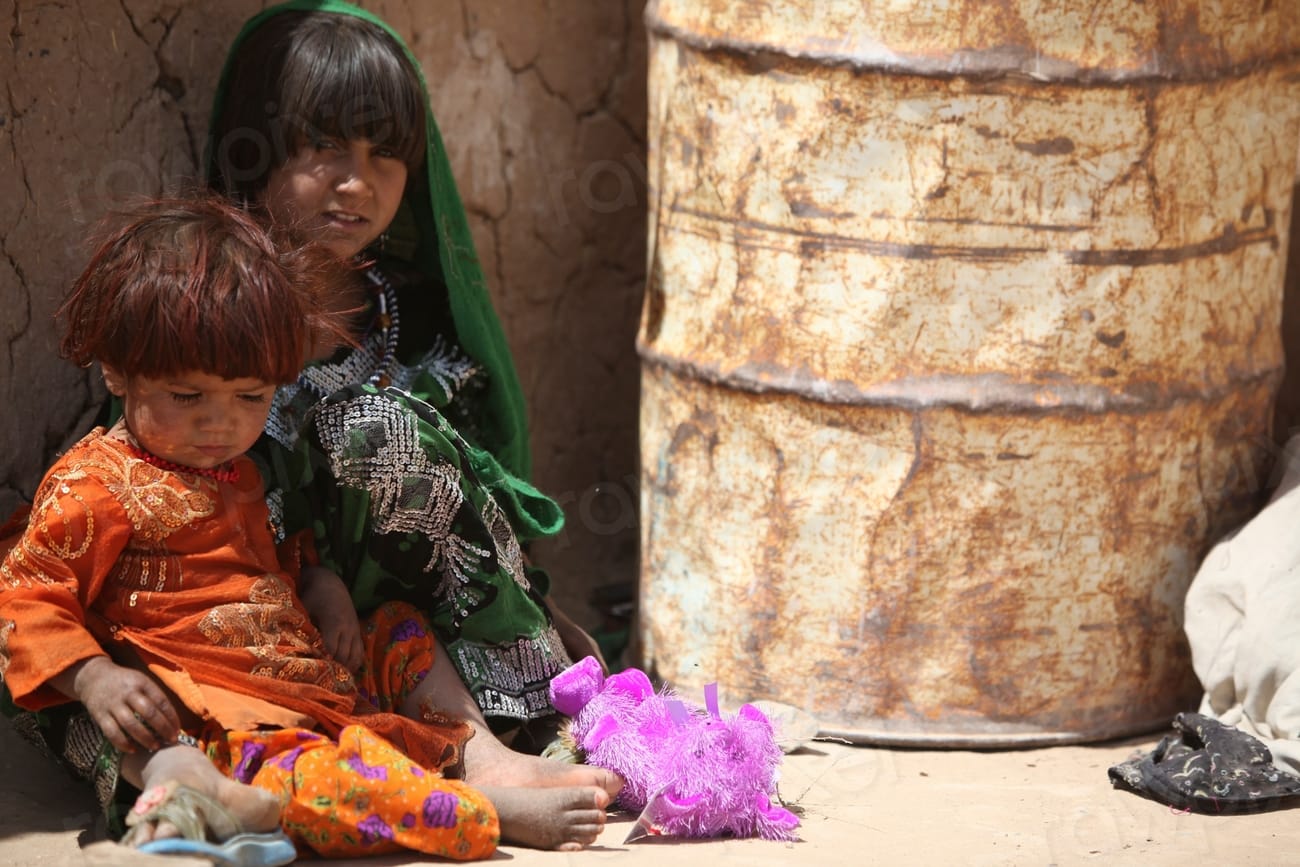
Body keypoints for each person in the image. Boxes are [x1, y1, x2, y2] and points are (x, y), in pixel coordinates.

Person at [0, 195, 614, 861]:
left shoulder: (239, 472)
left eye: (250, 397)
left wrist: (322, 586)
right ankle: (483, 809)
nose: (221, 424)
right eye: (187, 396)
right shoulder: (94, 485)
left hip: (312, 682)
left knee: (401, 627)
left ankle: (485, 755)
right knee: (309, 787)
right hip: (225, 718)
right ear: (118, 370)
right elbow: (25, 596)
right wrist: (93, 676)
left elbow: (276, 559)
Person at [204, 0, 605, 773]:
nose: (357, 183)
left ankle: (529, 716)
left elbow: (471, 498)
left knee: (377, 427)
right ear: (252, 148)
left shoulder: (413, 312)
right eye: (323, 145)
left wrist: (537, 605)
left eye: (385, 154)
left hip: (416, 627)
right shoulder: (205, 316)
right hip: (271, 610)